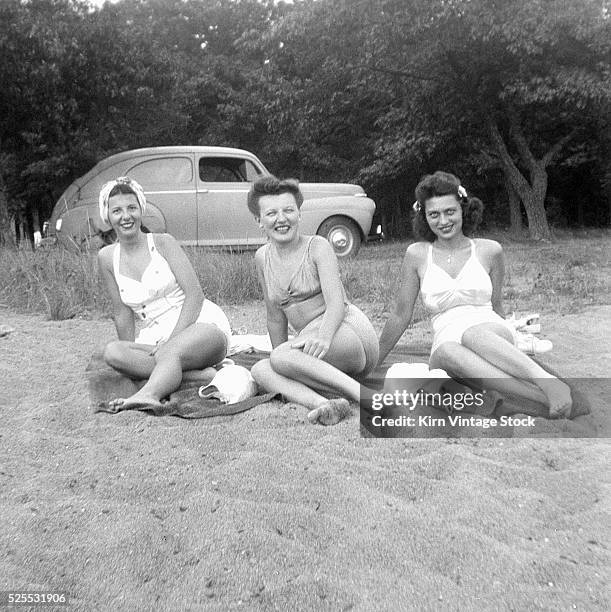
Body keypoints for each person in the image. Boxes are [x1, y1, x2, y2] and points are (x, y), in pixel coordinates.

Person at [377, 171, 572, 418]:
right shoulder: (416, 254)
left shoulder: (490, 250)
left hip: (488, 329)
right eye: (434, 214)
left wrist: (509, 345)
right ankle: (541, 398)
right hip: (446, 340)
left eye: (450, 212)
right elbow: (400, 315)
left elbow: (497, 306)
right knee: (447, 350)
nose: (443, 221)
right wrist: (374, 360)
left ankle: (547, 383)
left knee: (473, 334)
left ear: (463, 210)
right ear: (424, 218)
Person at [247, 176, 379, 425]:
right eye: (271, 213)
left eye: (288, 210)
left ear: (299, 214)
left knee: (280, 358)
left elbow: (336, 304)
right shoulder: (262, 257)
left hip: (346, 331)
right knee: (262, 369)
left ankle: (365, 397)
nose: (281, 219)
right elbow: (275, 317)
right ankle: (324, 403)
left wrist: (324, 336)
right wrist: (283, 360)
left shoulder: (318, 247)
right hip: (311, 344)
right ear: (259, 220)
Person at [97, 176, 232, 410]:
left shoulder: (163, 243)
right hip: (155, 336)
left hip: (197, 323)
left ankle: (149, 393)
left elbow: (195, 295)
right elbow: (122, 313)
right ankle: (195, 375)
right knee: (113, 353)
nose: (125, 216)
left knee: (170, 351)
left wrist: (172, 340)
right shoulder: (107, 257)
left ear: (141, 209)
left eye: (132, 208)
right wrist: (131, 357)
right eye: (117, 210)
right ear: (107, 216)